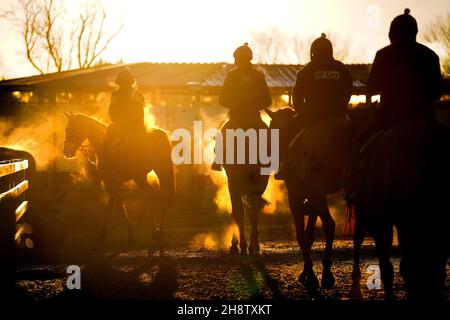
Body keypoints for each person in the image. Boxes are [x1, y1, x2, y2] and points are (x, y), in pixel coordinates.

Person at [275, 33, 352, 179]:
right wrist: (341, 108)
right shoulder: (342, 69)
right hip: (339, 116)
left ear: (312, 52)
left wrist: (303, 113)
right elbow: (348, 91)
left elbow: (296, 97)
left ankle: (285, 166)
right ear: (330, 52)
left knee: (285, 131)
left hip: (311, 119)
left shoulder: (306, 71)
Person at [211, 43, 272, 171]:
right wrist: (253, 106)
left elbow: (222, 99)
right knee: (269, 138)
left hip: (237, 118)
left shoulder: (233, 75)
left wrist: (237, 105)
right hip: (253, 118)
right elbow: (267, 100)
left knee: (223, 135)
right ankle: (273, 162)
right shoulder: (258, 76)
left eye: (237, 59)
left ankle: (218, 160)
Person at [104, 68, 146, 165]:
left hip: (134, 127)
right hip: (122, 126)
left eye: (124, 83)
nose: (123, 85)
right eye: (122, 83)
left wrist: (128, 123)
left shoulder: (134, 94)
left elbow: (139, 112)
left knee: (131, 142)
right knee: (105, 138)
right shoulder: (117, 94)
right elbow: (112, 111)